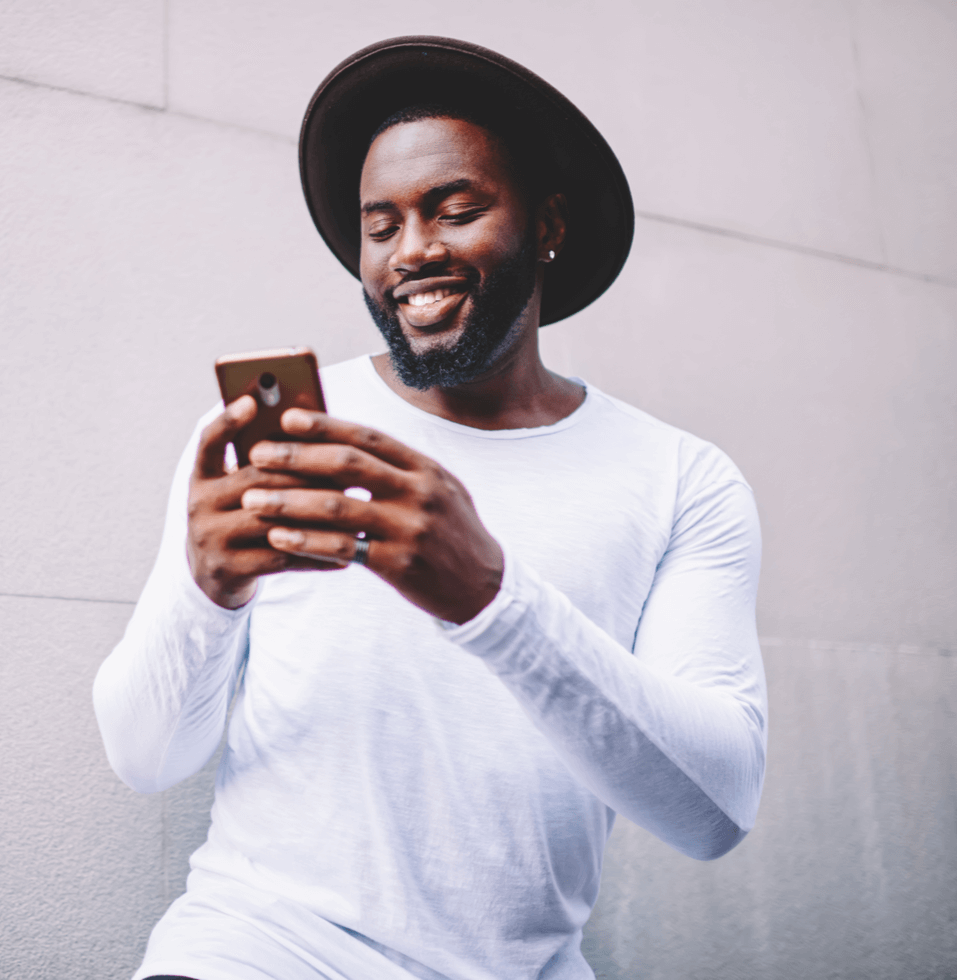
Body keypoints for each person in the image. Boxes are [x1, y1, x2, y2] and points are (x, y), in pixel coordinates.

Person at [93, 36, 767, 980]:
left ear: (549, 224)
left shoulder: (681, 480)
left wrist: (493, 601)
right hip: (258, 951)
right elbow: (145, 755)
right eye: (382, 227)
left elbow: (717, 809)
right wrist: (206, 594)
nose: (413, 253)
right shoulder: (275, 434)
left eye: (456, 211)